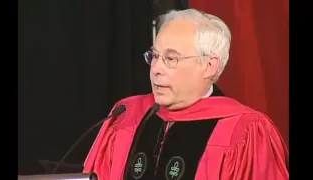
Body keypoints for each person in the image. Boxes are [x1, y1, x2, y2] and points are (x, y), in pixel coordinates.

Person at [83, 9, 289, 180]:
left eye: (171, 59)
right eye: (154, 56)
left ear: (209, 66)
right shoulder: (127, 115)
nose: (156, 68)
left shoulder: (246, 131)